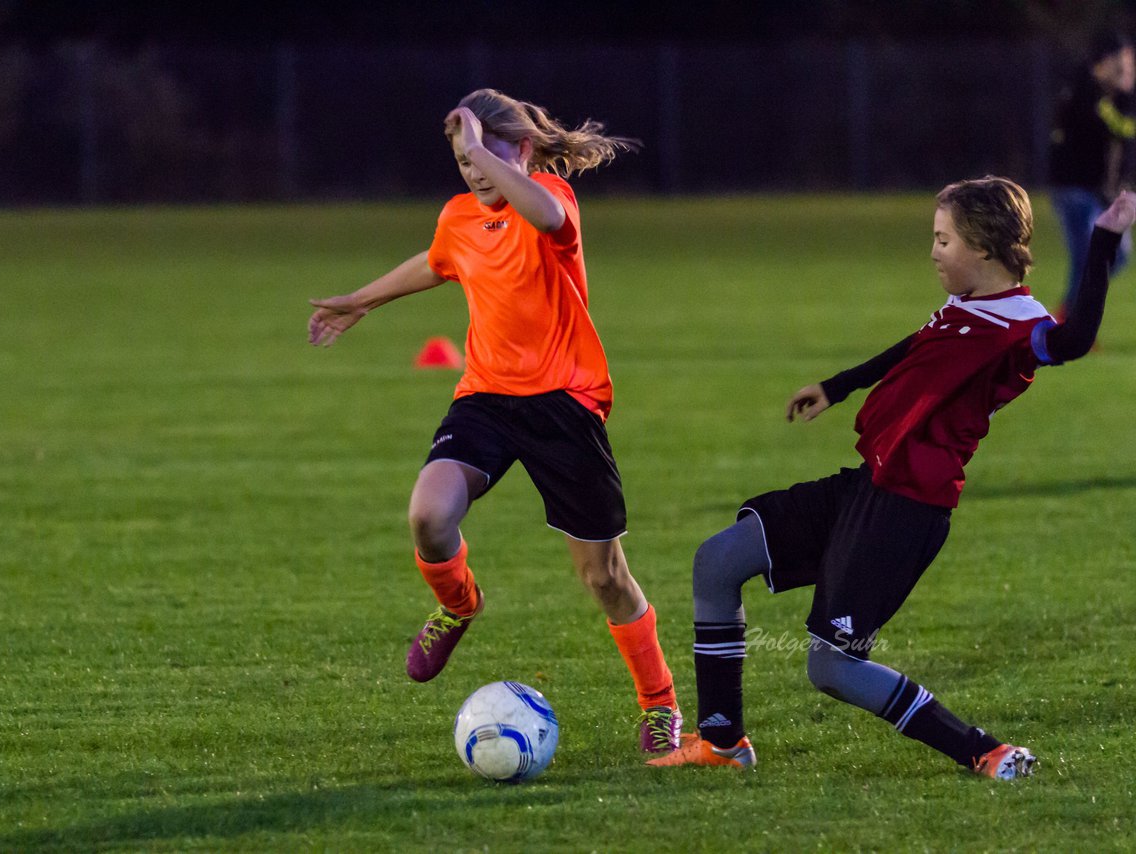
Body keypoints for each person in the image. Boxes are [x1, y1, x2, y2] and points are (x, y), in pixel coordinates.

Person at [650, 178, 1136, 778]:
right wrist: (839, 385)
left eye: (943, 239)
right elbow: (915, 347)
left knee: (831, 667)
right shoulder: (965, 307)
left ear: (983, 248)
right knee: (716, 562)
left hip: (906, 512)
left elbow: (1075, 339)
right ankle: (723, 744)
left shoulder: (1021, 325)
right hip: (868, 486)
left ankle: (985, 751)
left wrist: (1104, 240)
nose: (933, 251)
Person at [307, 89, 681, 752]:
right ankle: (458, 604)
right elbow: (437, 261)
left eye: (484, 156)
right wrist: (361, 301)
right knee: (428, 515)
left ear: (525, 151)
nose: (474, 172)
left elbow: (539, 213)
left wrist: (485, 150)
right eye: (462, 161)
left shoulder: (551, 200)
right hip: (486, 397)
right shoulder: (459, 216)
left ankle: (659, 704)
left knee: (604, 577)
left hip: (566, 405)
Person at [1049, 32, 1136, 318]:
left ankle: (1069, 313)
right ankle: (1070, 320)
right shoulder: (1086, 88)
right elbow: (1118, 128)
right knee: (1088, 256)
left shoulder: (1108, 95)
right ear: (1106, 61)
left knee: (1116, 254)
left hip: (1096, 191)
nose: (1127, 71)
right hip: (1074, 189)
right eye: (1122, 64)